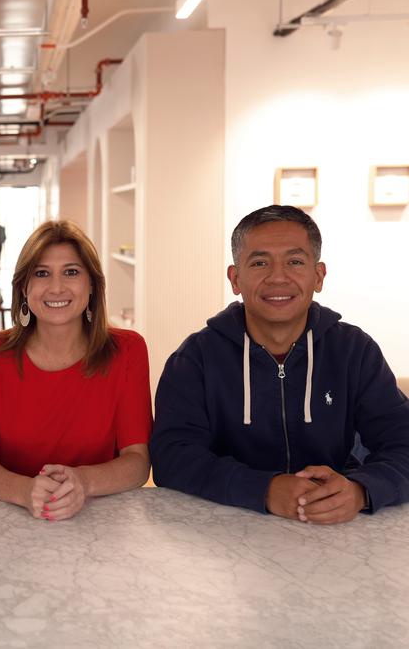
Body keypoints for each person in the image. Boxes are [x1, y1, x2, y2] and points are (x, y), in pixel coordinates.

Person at [150, 205, 409, 524]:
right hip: (228, 530)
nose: (277, 277)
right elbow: (172, 456)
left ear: (318, 276)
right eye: (259, 262)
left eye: (295, 261)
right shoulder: (195, 358)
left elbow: (402, 440)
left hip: (334, 529)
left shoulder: (354, 351)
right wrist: (264, 489)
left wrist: (360, 489)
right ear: (235, 278)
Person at [0, 220, 152, 521]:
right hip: (9, 518)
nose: (56, 287)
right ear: (24, 287)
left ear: (92, 286)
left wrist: (83, 483)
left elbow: (138, 462)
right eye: (41, 273)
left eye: (71, 272)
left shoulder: (127, 351)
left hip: (100, 521)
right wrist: (25, 491)